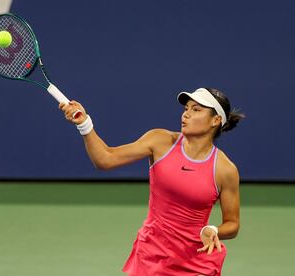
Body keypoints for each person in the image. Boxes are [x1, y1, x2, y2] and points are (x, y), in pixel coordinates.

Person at [59, 87, 243, 276]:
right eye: (186, 109)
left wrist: (213, 229)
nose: (186, 114)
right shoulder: (160, 141)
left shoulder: (224, 169)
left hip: (196, 262)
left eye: (196, 110)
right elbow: (105, 159)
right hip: (152, 256)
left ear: (216, 120)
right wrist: (84, 124)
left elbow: (232, 224)